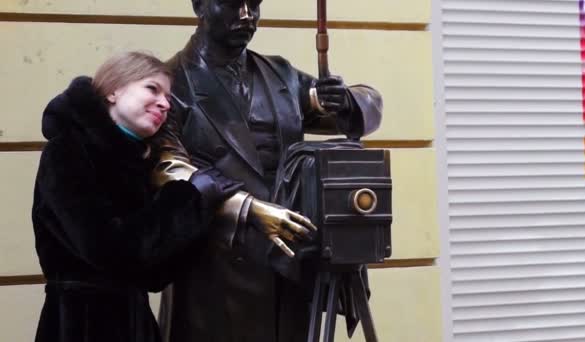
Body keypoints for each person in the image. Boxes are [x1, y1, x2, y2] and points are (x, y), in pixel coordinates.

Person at [31, 51, 311, 342]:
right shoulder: (67, 151)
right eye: (152, 89)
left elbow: (155, 275)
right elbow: (108, 249)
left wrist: (204, 208)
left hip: (134, 322)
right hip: (81, 324)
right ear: (114, 90)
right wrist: (189, 197)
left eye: (167, 96)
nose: (165, 104)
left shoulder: (138, 162)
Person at [152, 1, 384, 341]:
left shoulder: (279, 75)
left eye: (254, 4)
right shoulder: (172, 84)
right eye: (233, 4)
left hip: (286, 264)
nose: (247, 15)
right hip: (215, 270)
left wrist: (346, 100)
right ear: (200, 6)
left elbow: (367, 107)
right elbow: (167, 169)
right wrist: (248, 209)